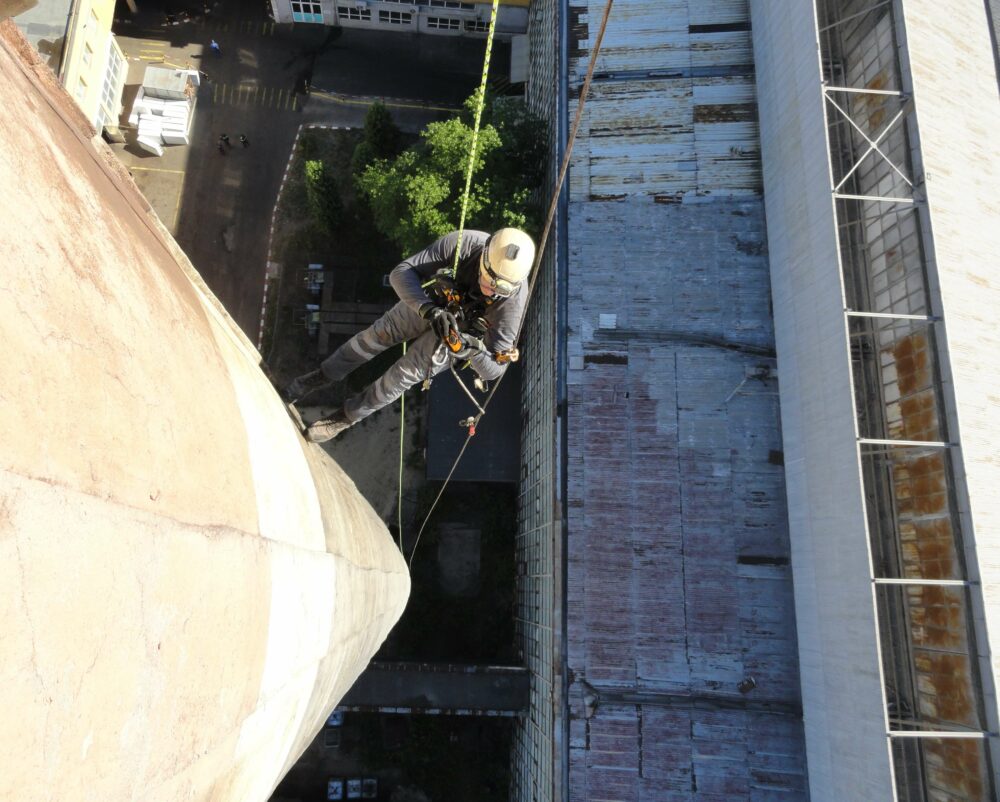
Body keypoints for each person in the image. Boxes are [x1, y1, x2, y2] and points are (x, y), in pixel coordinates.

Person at [285, 228, 535, 443]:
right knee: (373, 338)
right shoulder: (465, 244)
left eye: (499, 287)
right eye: (488, 278)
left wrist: (468, 349)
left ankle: (344, 418)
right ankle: (317, 378)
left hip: (456, 336)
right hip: (429, 304)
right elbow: (401, 273)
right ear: (484, 258)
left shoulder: (512, 305)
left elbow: (494, 370)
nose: (490, 287)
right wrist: (429, 310)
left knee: (398, 379)